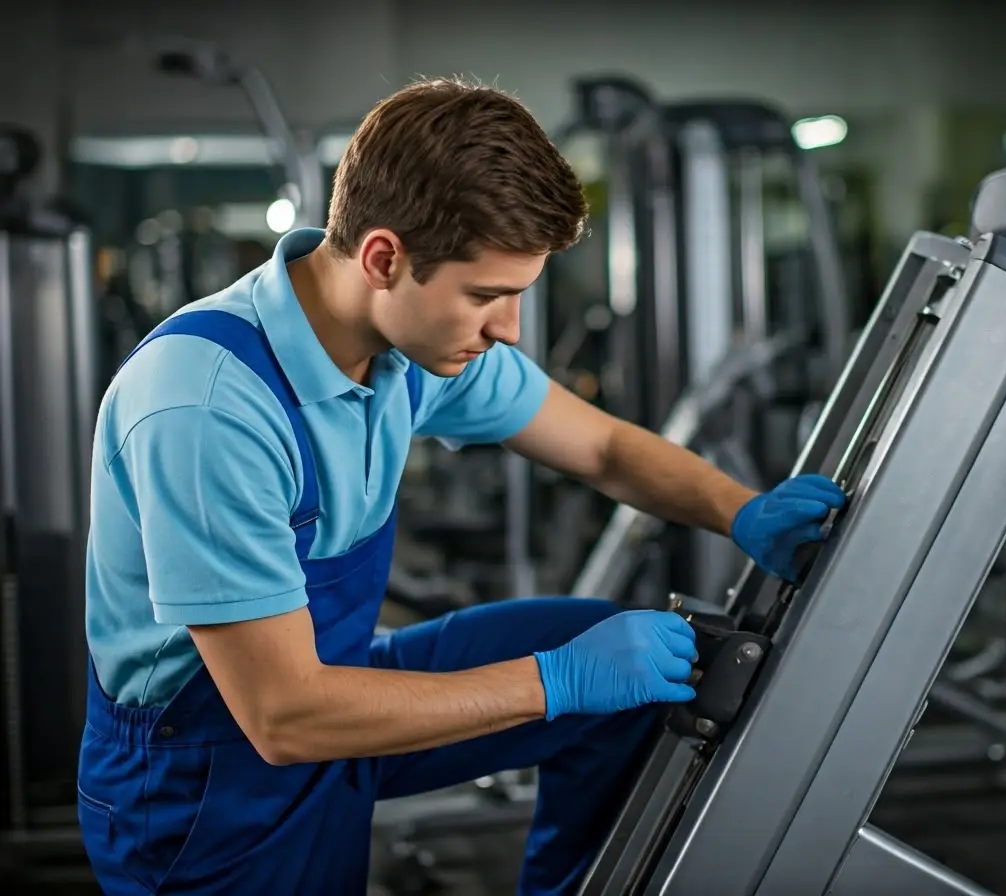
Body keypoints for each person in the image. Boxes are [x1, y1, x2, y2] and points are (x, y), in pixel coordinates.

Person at [77, 77, 846, 896]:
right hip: (211, 785)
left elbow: (604, 449)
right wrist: (554, 681)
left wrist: (743, 510)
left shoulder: (402, 351)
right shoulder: (208, 405)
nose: (508, 329)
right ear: (383, 258)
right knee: (582, 675)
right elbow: (282, 715)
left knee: (634, 677)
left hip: (329, 696)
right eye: (487, 296)